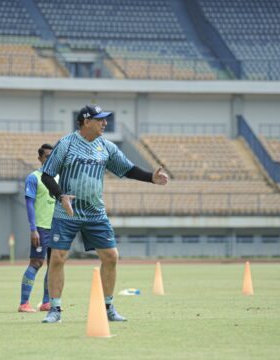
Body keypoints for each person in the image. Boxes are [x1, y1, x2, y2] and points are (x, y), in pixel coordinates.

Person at [40, 104, 168, 323]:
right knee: (58, 258)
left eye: (105, 119)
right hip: (67, 211)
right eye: (100, 119)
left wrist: (150, 178)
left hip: (95, 212)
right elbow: (47, 175)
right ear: (86, 121)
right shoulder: (66, 144)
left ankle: (107, 307)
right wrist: (61, 195)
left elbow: (126, 168)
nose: (105, 123)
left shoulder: (106, 146)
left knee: (111, 256)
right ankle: (55, 309)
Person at [18, 144, 56, 313]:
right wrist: (33, 228)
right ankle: (24, 303)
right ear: (40, 158)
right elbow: (29, 205)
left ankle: (46, 302)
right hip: (40, 227)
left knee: (54, 264)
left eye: (52, 156)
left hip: (56, 227)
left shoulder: (58, 178)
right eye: (46, 156)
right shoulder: (33, 178)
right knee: (36, 262)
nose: (49, 159)